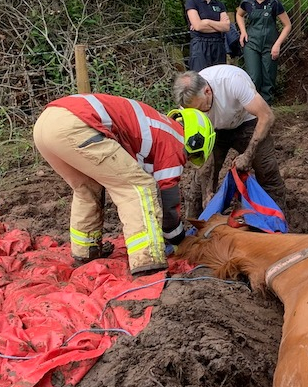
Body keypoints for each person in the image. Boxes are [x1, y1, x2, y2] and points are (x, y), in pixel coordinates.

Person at [33, 94, 215, 276]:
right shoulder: (175, 141)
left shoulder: (159, 126)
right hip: (76, 124)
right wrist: (178, 239)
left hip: (48, 123)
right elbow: (168, 200)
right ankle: (147, 262)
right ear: (196, 139)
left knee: (87, 189)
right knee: (139, 186)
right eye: (194, 155)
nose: (188, 160)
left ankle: (85, 253)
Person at [172, 65, 288, 212]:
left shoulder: (232, 81)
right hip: (212, 130)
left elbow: (267, 116)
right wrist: (206, 192)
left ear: (207, 91)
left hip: (245, 122)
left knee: (267, 169)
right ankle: (196, 224)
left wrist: (248, 155)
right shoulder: (188, 107)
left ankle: (277, 219)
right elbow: (201, 153)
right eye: (195, 111)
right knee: (200, 184)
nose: (200, 112)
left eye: (201, 108)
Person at [236, 0, 292, 104]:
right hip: (252, 44)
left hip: (269, 45)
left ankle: (267, 106)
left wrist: (277, 44)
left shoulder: (274, 3)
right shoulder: (247, 2)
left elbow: (287, 25)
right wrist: (243, 32)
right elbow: (239, 15)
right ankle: (251, 106)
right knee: (254, 77)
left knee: (268, 78)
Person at [184, 0, 231, 72]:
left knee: (218, 80)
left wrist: (207, 22)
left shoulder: (219, 4)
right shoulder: (192, 2)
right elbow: (198, 26)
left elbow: (226, 27)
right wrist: (219, 26)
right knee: (200, 81)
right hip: (200, 46)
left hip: (218, 45)